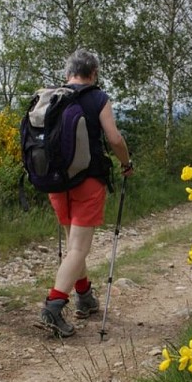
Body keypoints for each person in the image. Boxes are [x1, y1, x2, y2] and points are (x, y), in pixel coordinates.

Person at [40, 49, 134, 338]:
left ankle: (85, 297)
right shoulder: (98, 98)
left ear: (67, 73)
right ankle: (53, 308)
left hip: (55, 181)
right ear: (93, 73)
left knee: (73, 245)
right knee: (79, 249)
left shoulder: (52, 97)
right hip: (88, 180)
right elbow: (114, 138)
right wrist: (126, 163)